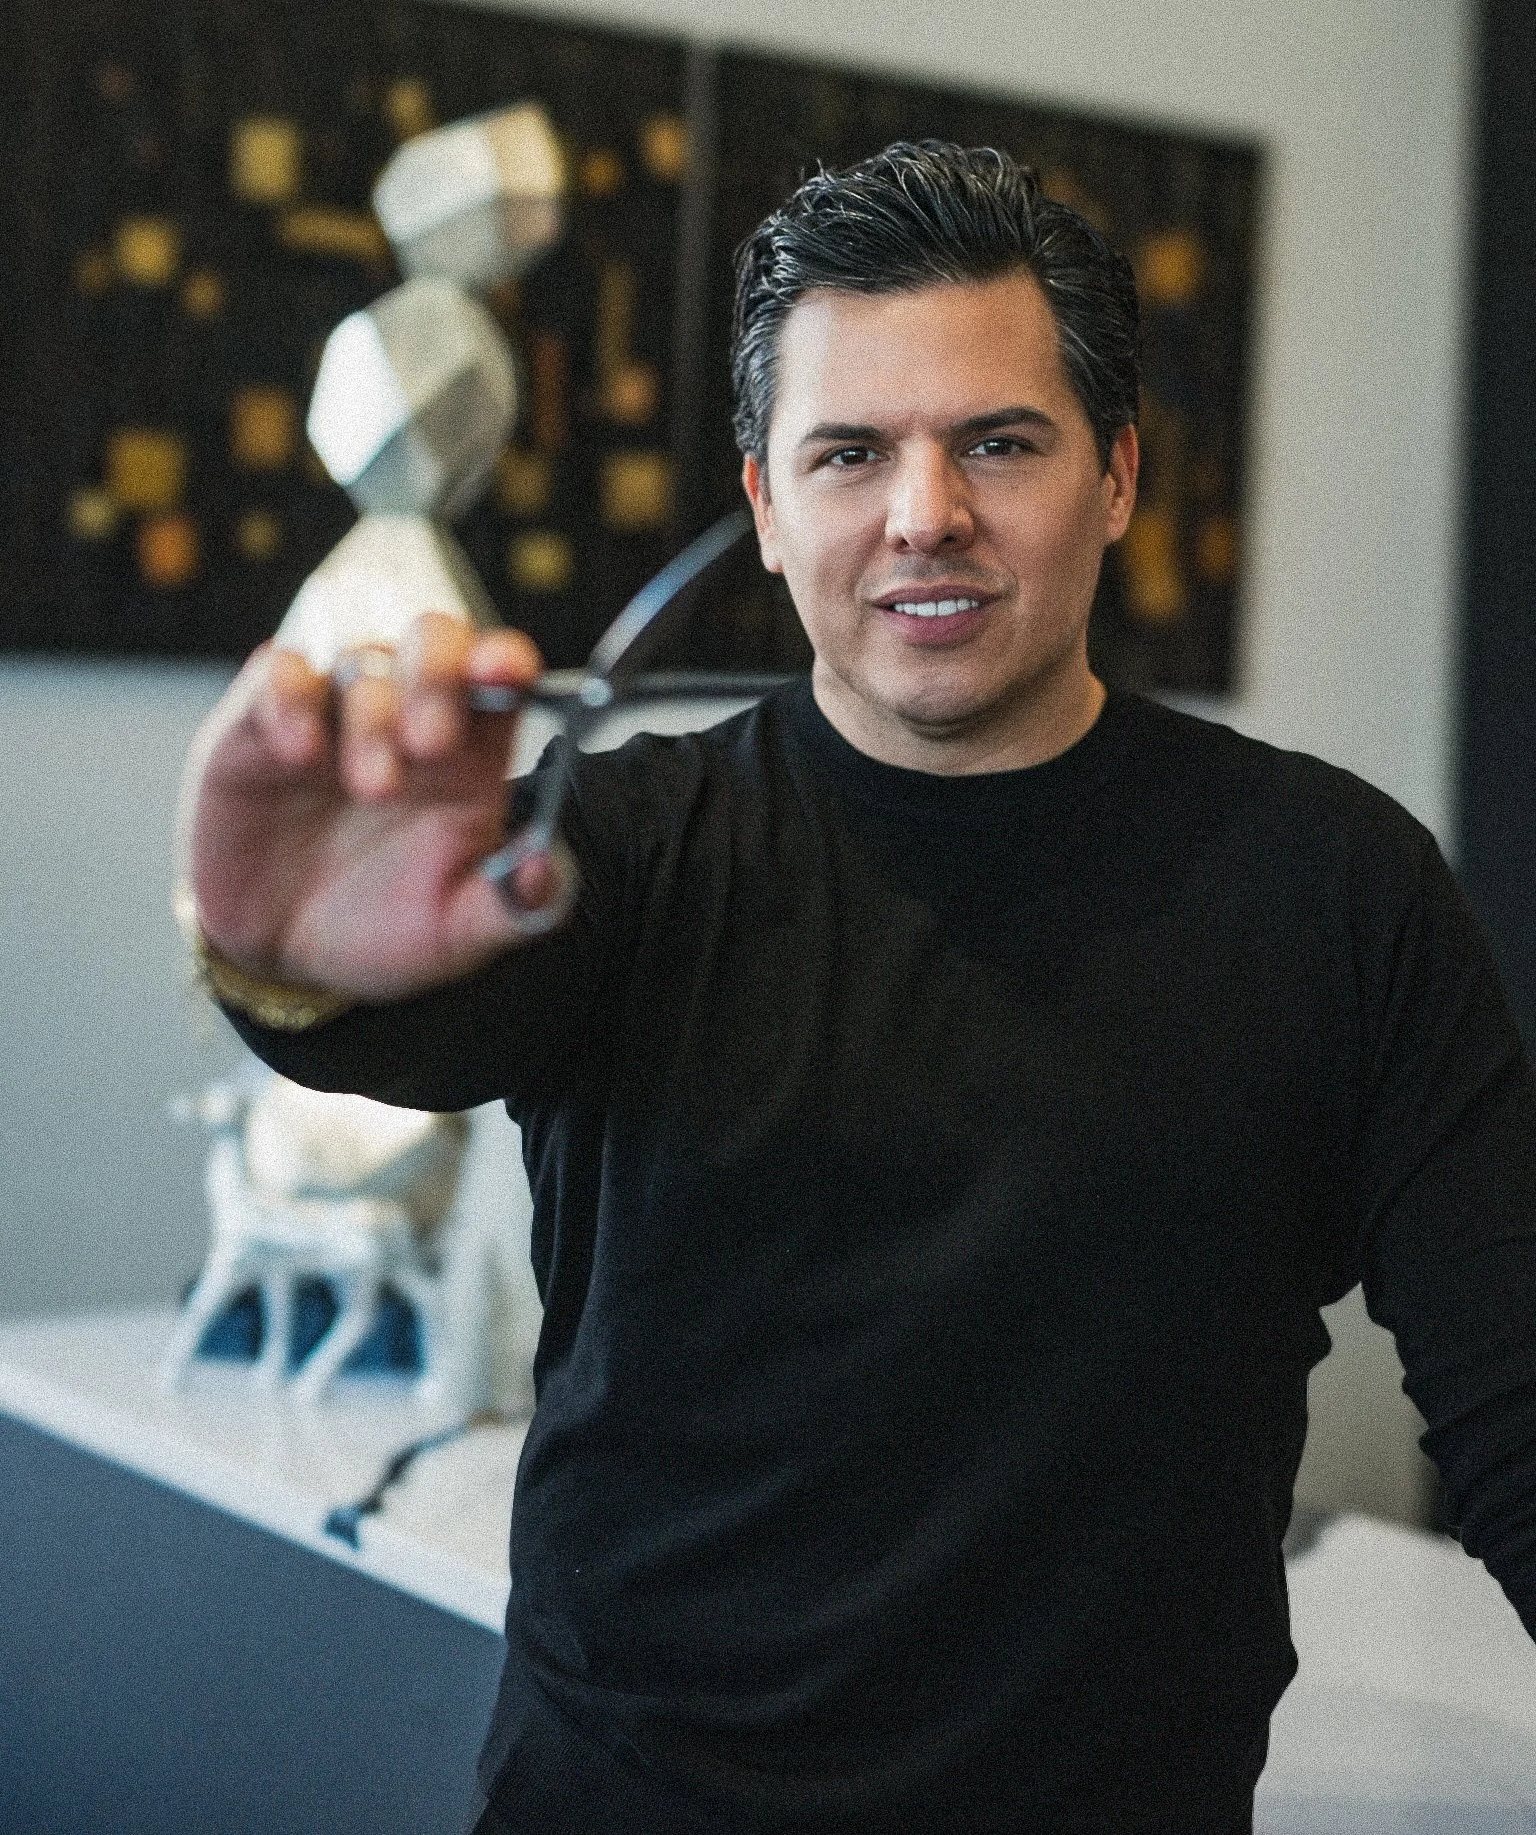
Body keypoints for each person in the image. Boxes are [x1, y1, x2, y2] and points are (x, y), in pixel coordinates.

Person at [177, 141, 1536, 1835]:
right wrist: (281, 961)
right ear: (764, 504)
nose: (923, 514)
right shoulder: (616, 850)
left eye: (998, 442)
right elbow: (406, 1027)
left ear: (1115, 475)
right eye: (849, 453)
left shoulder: (1336, 887)